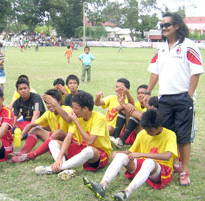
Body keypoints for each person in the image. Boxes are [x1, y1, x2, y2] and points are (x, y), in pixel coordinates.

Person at [144, 12, 204, 186]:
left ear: (177, 26)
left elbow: (196, 71)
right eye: (161, 25)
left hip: (183, 99)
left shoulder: (189, 45)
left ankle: (184, 170)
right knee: (168, 133)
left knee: (184, 136)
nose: (163, 28)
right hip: (164, 98)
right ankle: (173, 163)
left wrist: (189, 95)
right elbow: (155, 72)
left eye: (167, 25)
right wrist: (148, 92)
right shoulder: (160, 48)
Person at [83, 109, 178, 200]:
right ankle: (102, 185)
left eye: (150, 130)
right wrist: (118, 153)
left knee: (149, 162)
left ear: (159, 125)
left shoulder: (170, 135)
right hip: (143, 165)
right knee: (121, 156)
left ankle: (126, 192)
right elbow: (131, 152)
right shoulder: (143, 134)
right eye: (146, 130)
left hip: (161, 170)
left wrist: (141, 154)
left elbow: (167, 156)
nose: (148, 133)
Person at [35, 91, 112, 181]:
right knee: (52, 143)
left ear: (85, 109)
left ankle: (52, 169)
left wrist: (76, 121)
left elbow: (90, 141)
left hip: (99, 153)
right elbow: (68, 138)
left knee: (88, 150)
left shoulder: (99, 118)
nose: (72, 111)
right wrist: (59, 158)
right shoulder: (77, 116)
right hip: (81, 147)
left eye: (75, 108)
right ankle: (62, 166)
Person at [11, 89, 72, 163]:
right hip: (56, 140)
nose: (50, 105)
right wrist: (21, 136)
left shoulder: (67, 109)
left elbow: (68, 119)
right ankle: (24, 151)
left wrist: (54, 103)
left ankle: (31, 155)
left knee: (58, 132)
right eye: (47, 103)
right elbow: (31, 125)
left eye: (52, 102)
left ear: (59, 102)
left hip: (70, 142)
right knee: (36, 129)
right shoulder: (48, 114)